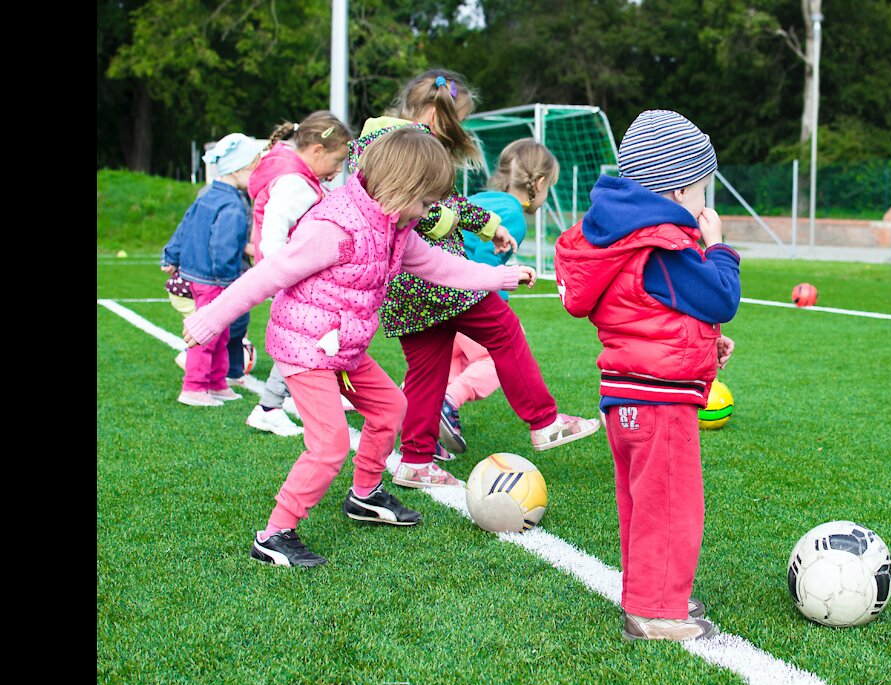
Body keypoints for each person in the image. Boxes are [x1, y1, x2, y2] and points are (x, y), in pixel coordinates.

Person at [181, 127, 537, 568]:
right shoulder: (335, 228)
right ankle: (273, 535)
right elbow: (268, 275)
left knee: (392, 408)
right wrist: (210, 319)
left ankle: (365, 496)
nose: (430, 213)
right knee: (329, 444)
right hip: (306, 348)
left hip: (343, 348)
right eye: (427, 202)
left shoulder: (395, 226)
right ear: (401, 188)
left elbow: (439, 266)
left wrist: (501, 276)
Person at [351, 69, 599, 490]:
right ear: (434, 113)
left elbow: (446, 200)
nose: (457, 131)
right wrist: (454, 225)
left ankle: (414, 460)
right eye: (456, 120)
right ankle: (544, 421)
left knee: (428, 371)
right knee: (504, 330)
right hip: (436, 279)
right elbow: (417, 209)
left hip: (404, 287)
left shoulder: (380, 140)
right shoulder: (405, 144)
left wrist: (489, 227)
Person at [554, 110, 741, 641]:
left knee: (644, 504)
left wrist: (705, 345)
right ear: (680, 189)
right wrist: (719, 246)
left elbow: (650, 313)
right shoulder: (663, 244)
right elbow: (721, 295)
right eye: (704, 189)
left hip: (628, 395)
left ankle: (652, 593)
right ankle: (656, 612)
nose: (707, 203)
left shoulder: (624, 238)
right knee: (670, 506)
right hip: (658, 403)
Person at [436, 138, 560, 462]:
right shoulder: (514, 217)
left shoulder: (478, 199)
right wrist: (501, 292)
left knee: (448, 364)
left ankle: (426, 427)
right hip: (468, 299)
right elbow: (484, 260)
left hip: (437, 296)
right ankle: (449, 401)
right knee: (497, 359)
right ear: (540, 183)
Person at [244, 111, 354, 438]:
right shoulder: (295, 184)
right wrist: (286, 275)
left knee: (310, 337)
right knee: (303, 340)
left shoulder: (299, 177)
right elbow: (274, 235)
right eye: (337, 161)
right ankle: (269, 407)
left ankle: (283, 401)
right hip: (292, 278)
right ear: (317, 152)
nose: (338, 172)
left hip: (294, 275)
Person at [162, 132, 266, 407]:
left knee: (221, 332)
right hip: (215, 279)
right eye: (254, 168)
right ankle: (194, 387)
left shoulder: (208, 194)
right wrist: (230, 282)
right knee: (208, 333)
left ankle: (216, 383)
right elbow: (223, 247)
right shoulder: (232, 204)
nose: (256, 175)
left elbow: (184, 225)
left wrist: (170, 254)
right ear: (240, 169)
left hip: (201, 275)